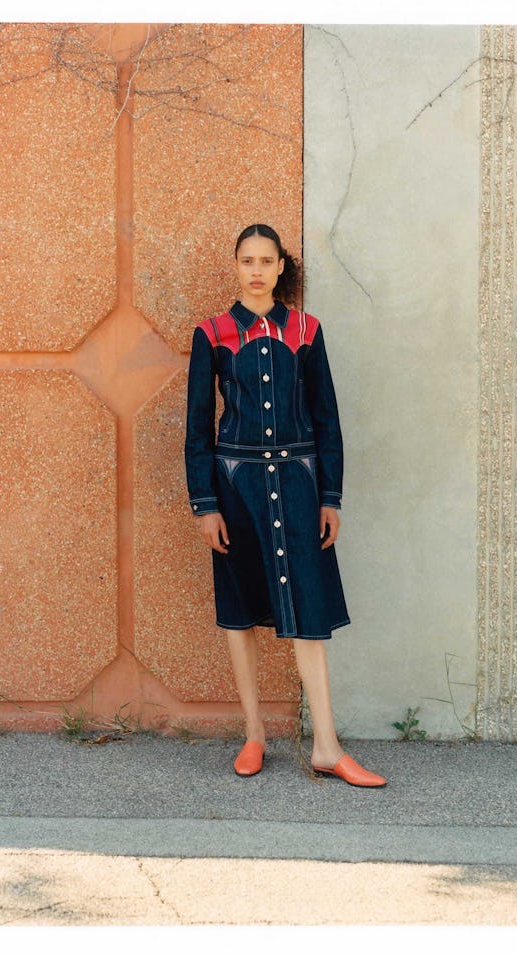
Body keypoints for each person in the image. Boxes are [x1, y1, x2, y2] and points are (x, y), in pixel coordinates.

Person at [185, 223, 386, 788]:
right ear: (235, 266)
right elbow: (198, 427)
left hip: (298, 486)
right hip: (235, 488)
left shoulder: (306, 330)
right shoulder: (213, 334)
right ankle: (254, 736)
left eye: (265, 260)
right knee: (241, 611)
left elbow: (327, 419)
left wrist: (330, 496)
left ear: (280, 267)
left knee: (309, 616)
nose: (255, 269)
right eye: (246, 259)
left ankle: (327, 746)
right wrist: (205, 504)